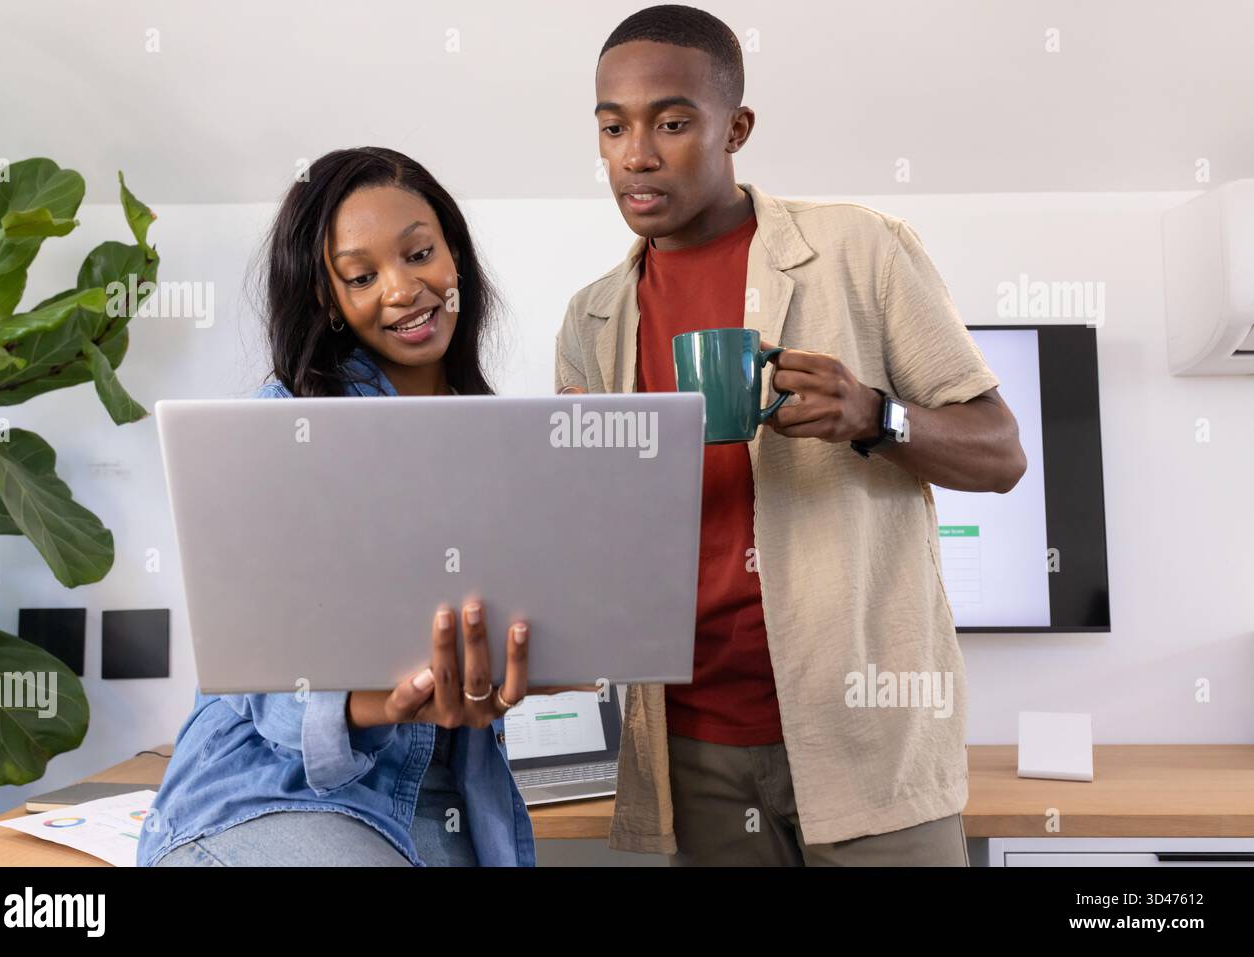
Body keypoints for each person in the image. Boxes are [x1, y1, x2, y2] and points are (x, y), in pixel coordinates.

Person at [554, 5, 1027, 865]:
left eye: (671, 121)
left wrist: (874, 417)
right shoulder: (592, 317)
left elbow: (1001, 451)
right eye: (613, 126)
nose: (637, 154)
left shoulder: (862, 250)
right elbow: (591, 530)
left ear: (735, 127)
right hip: (694, 744)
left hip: (867, 733)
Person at [139, 147, 538, 867]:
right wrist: (392, 699)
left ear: (455, 258)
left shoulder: (500, 440)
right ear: (328, 298)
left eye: (420, 253)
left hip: (441, 804)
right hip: (269, 791)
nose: (404, 289)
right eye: (362, 276)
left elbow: (538, 622)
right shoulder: (283, 422)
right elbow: (261, 677)